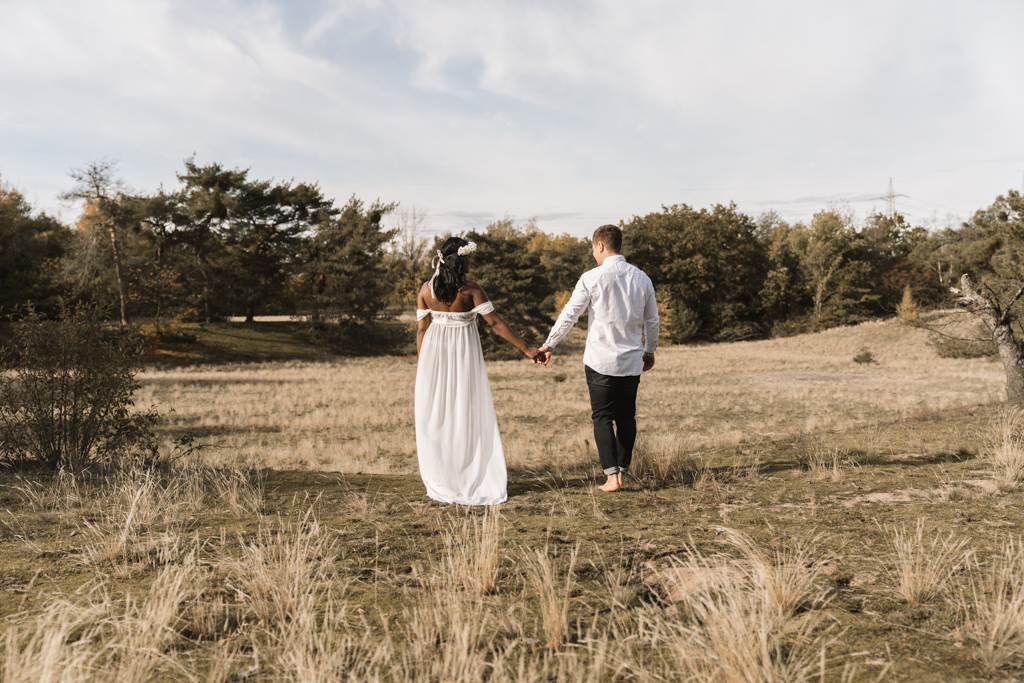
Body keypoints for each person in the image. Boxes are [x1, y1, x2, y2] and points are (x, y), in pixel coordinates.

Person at [415, 236, 541, 505]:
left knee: (441, 413)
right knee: (466, 409)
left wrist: (422, 367)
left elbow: (422, 329)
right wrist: (527, 348)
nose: (472, 260)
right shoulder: (471, 290)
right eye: (469, 256)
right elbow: (495, 323)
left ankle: (447, 475)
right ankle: (466, 473)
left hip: (434, 355)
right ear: (459, 260)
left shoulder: (426, 290)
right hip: (462, 352)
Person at [536, 225, 659, 492]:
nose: (593, 253)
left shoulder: (591, 277)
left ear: (600, 246)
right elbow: (652, 319)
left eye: (593, 248)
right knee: (627, 417)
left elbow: (570, 314)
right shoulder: (642, 278)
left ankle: (611, 477)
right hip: (630, 361)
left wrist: (549, 345)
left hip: (600, 361)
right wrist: (650, 351)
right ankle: (622, 471)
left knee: (602, 416)